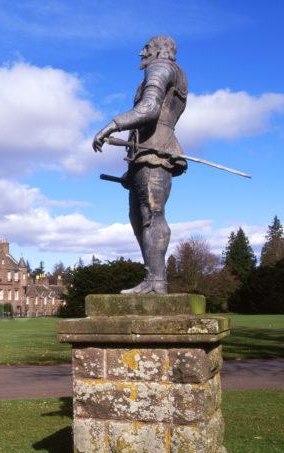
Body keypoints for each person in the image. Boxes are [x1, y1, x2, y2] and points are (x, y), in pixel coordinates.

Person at [92, 35, 188, 294]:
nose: (141, 53)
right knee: (140, 217)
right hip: (144, 156)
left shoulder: (161, 68)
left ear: (159, 50)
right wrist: (130, 170)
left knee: (152, 214)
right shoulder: (168, 71)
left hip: (155, 152)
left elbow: (149, 108)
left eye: (146, 48)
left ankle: (156, 282)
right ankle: (152, 278)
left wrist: (111, 125)